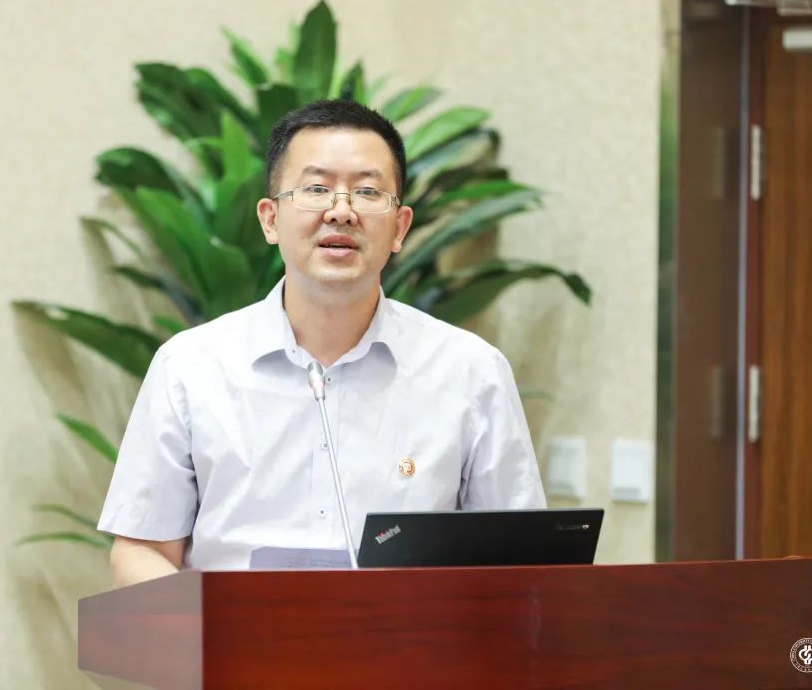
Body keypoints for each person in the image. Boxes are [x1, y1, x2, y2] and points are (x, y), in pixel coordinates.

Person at [97, 99, 545, 587]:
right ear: (270, 219)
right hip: (236, 636)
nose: (342, 211)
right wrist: (211, 631)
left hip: (406, 637)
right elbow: (141, 549)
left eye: (368, 191)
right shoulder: (189, 366)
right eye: (316, 188)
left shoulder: (469, 370)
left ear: (399, 227)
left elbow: (520, 559)